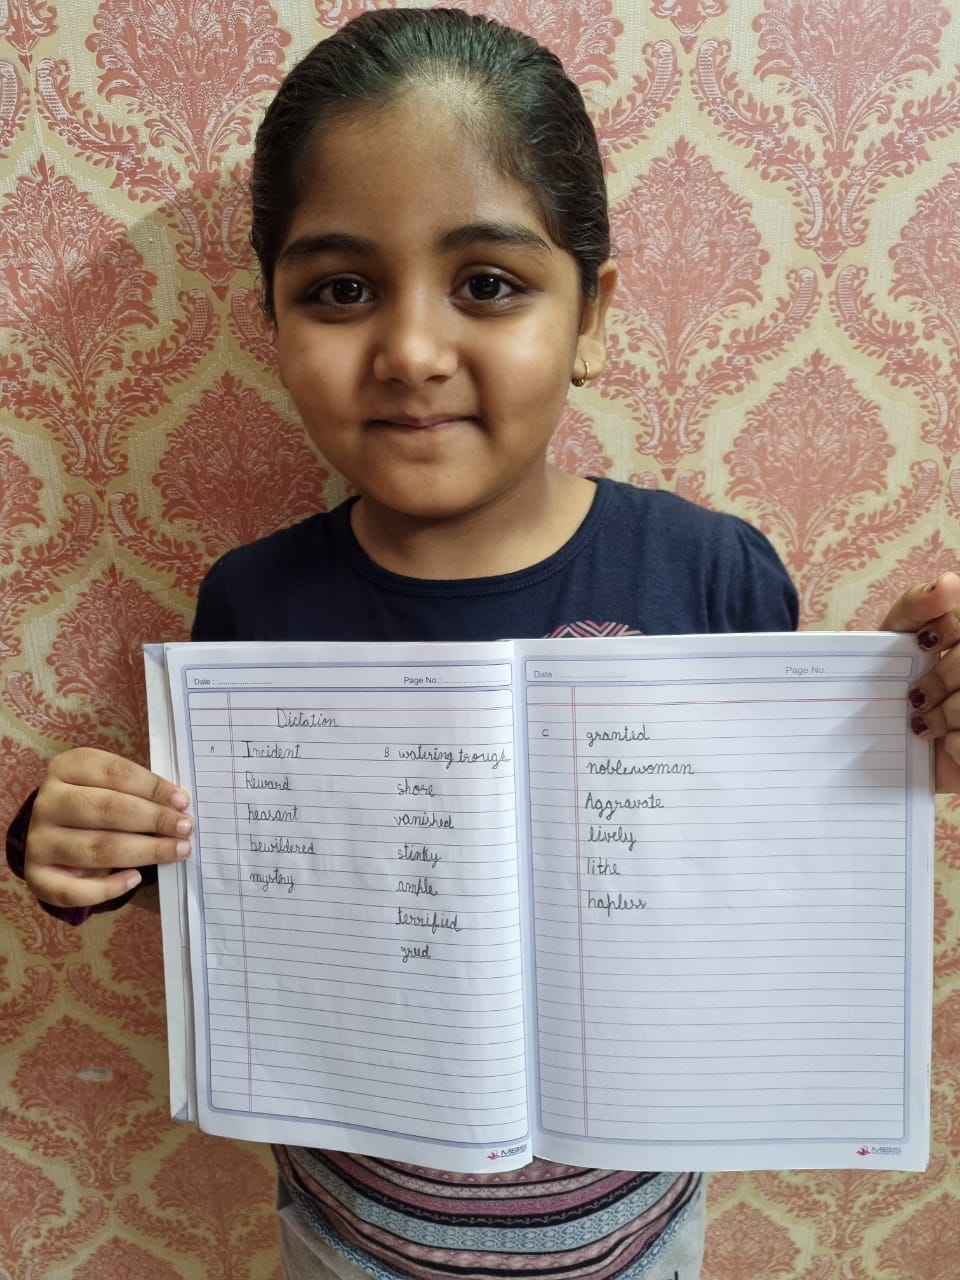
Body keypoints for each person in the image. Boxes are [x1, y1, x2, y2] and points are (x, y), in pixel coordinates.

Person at [6, 8, 960, 1279]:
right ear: (273, 319)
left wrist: (901, 727)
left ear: (593, 316)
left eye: (489, 283)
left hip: (636, 1239)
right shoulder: (254, 602)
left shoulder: (714, 574)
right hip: (345, 1237)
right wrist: (73, 844)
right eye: (341, 289)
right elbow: (218, 869)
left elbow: (762, 874)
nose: (411, 351)